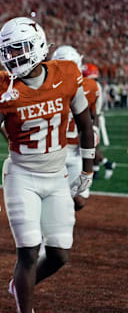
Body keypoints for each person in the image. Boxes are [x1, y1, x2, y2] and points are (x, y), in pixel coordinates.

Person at [0, 17, 95, 313]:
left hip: (57, 175)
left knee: (58, 254)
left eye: (21, 49)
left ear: (39, 45)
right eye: (8, 51)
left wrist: (87, 170)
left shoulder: (67, 75)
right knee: (28, 249)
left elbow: (85, 126)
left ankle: (20, 286)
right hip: (21, 175)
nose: (14, 57)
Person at [51, 46, 101, 210]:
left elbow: (94, 120)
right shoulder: (46, 87)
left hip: (76, 150)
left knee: (78, 200)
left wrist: (95, 147)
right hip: (52, 149)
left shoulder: (91, 87)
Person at [82, 63, 114, 179]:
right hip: (95, 117)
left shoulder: (93, 86)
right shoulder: (96, 85)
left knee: (90, 146)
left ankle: (107, 163)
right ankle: (96, 170)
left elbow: (92, 107)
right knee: (94, 146)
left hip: (93, 118)